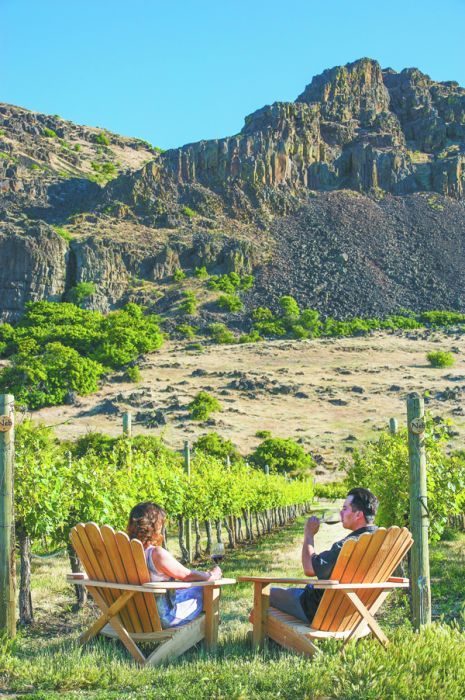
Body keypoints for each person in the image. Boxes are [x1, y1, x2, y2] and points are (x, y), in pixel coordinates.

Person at [269, 487, 379, 624]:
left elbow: (309, 569)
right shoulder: (380, 541)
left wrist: (309, 534)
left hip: (320, 609)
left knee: (268, 594)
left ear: (358, 515)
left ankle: (264, 639)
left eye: (345, 508)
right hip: (356, 611)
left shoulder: (349, 545)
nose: (340, 512)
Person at [127, 501, 222, 628]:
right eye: (161, 523)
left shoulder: (125, 553)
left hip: (132, 617)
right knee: (204, 589)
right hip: (163, 618)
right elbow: (187, 575)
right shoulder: (156, 554)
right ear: (154, 526)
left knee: (184, 590)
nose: (162, 527)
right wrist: (211, 575)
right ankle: (208, 631)